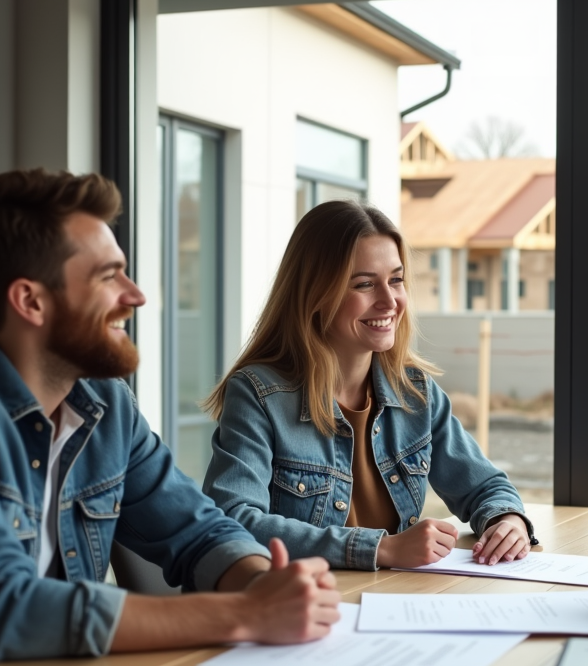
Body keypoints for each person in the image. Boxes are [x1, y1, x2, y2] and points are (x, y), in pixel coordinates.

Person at [0, 169, 341, 666]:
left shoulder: (105, 405)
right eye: (108, 276)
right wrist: (246, 615)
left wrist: (262, 585)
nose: (136, 295)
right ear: (30, 301)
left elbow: (197, 531)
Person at [201, 200, 534, 571]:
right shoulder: (258, 394)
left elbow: (485, 486)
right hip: (301, 607)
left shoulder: (416, 394)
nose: (389, 301)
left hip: (392, 603)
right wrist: (381, 549)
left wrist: (507, 520)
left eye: (396, 280)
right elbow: (233, 519)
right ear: (315, 294)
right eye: (364, 284)